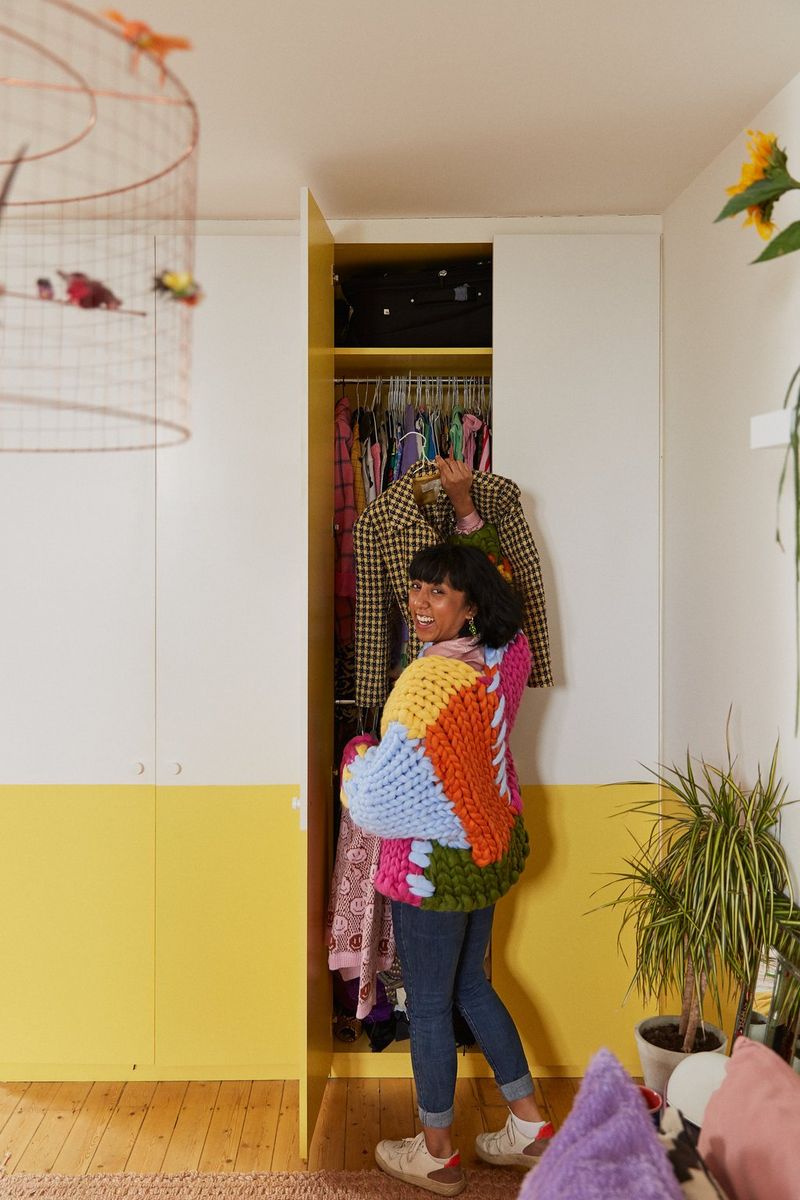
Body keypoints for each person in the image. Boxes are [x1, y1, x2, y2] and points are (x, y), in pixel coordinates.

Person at [342, 477, 553, 1195]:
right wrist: (467, 509)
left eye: (438, 593)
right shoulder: (504, 661)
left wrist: (355, 758)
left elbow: (372, 805)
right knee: (473, 986)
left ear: (468, 605)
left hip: (431, 869)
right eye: (417, 589)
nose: (420, 604)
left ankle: (434, 1150)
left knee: (429, 1005)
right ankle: (528, 1125)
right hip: (487, 855)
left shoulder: (427, 684)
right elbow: (506, 590)